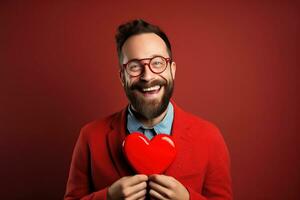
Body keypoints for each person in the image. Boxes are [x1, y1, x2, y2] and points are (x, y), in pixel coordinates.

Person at [64, 19, 232, 200]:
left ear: (172, 70)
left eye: (158, 63)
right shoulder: (90, 136)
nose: (148, 76)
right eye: (135, 66)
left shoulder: (210, 137)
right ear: (122, 77)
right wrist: (108, 197)